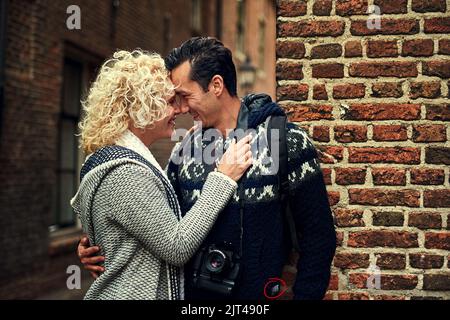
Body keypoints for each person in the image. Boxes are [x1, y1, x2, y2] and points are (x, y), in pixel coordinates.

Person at [78, 37, 336, 300]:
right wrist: (104, 245)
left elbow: (318, 237)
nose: (179, 108)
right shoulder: (185, 148)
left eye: (184, 96)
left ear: (216, 85)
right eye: (173, 98)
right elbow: (161, 227)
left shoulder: (286, 142)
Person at [71, 49, 252, 300]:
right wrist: (223, 177)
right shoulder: (124, 174)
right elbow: (177, 246)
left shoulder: (114, 159)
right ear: (141, 108)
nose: (177, 110)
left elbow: (152, 207)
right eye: (168, 102)